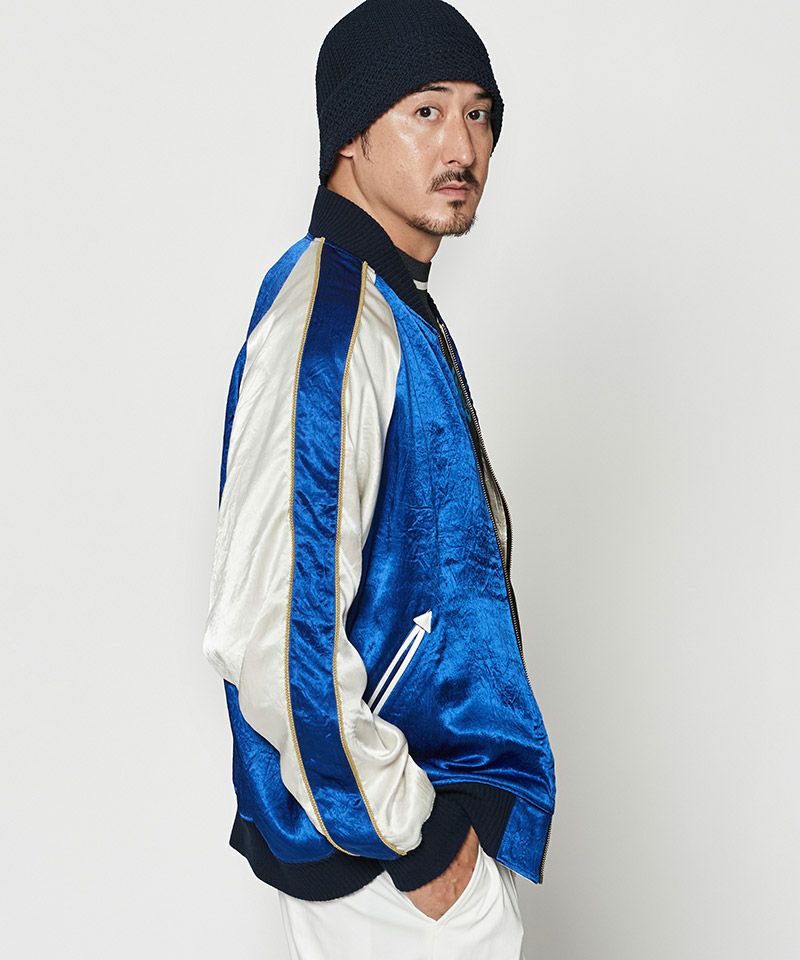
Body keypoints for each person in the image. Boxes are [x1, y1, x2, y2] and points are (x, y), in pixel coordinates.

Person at [202, 1, 556, 956]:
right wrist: (420, 840)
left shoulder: (387, 303)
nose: (464, 146)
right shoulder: (332, 326)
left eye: (479, 113)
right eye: (426, 111)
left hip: (410, 828)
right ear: (351, 135)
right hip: (389, 855)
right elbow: (270, 633)